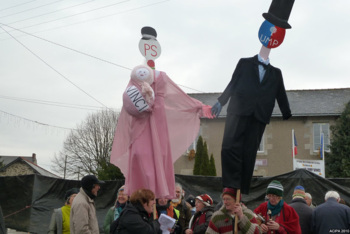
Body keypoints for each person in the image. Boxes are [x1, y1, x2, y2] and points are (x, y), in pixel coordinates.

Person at [110, 27, 212, 199]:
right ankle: (141, 199)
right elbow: (128, 99)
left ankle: (153, 202)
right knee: (141, 157)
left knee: (158, 160)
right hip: (140, 124)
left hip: (158, 123)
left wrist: (199, 106)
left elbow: (179, 96)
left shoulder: (162, 77)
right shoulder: (137, 75)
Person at [210, 0, 294, 195]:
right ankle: (230, 183)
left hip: (259, 115)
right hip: (238, 110)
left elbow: (281, 93)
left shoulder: (276, 73)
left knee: (249, 151)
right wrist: (221, 101)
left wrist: (287, 112)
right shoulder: (244, 63)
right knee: (229, 146)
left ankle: (242, 187)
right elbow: (233, 83)